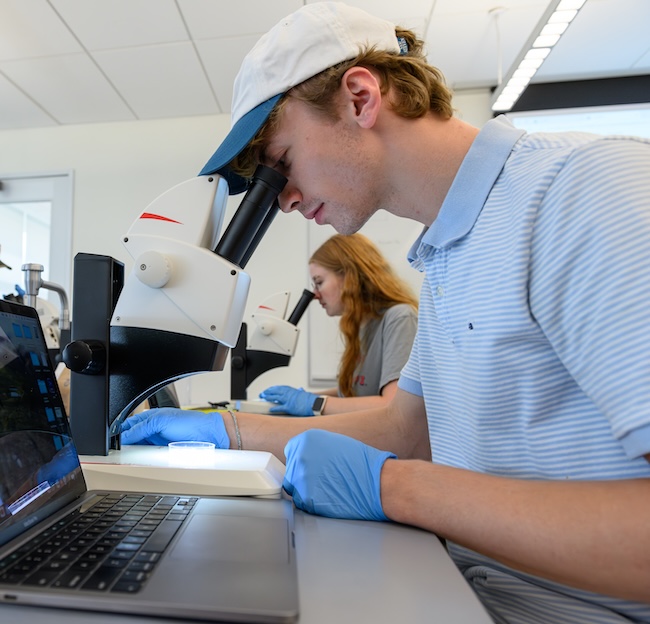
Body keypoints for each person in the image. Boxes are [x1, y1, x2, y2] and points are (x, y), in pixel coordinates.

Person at [120, 3, 650, 622]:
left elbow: (402, 463)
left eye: (282, 162)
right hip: (462, 585)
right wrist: (227, 432)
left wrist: (395, 488)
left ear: (360, 98)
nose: (284, 200)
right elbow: (405, 430)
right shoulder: (450, 251)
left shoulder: (584, 193)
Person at [259, 233, 417, 416]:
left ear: (350, 277)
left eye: (319, 282)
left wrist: (313, 403)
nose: (315, 294)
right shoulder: (361, 325)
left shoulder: (400, 318)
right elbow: (355, 393)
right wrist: (302, 397)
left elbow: (391, 404)